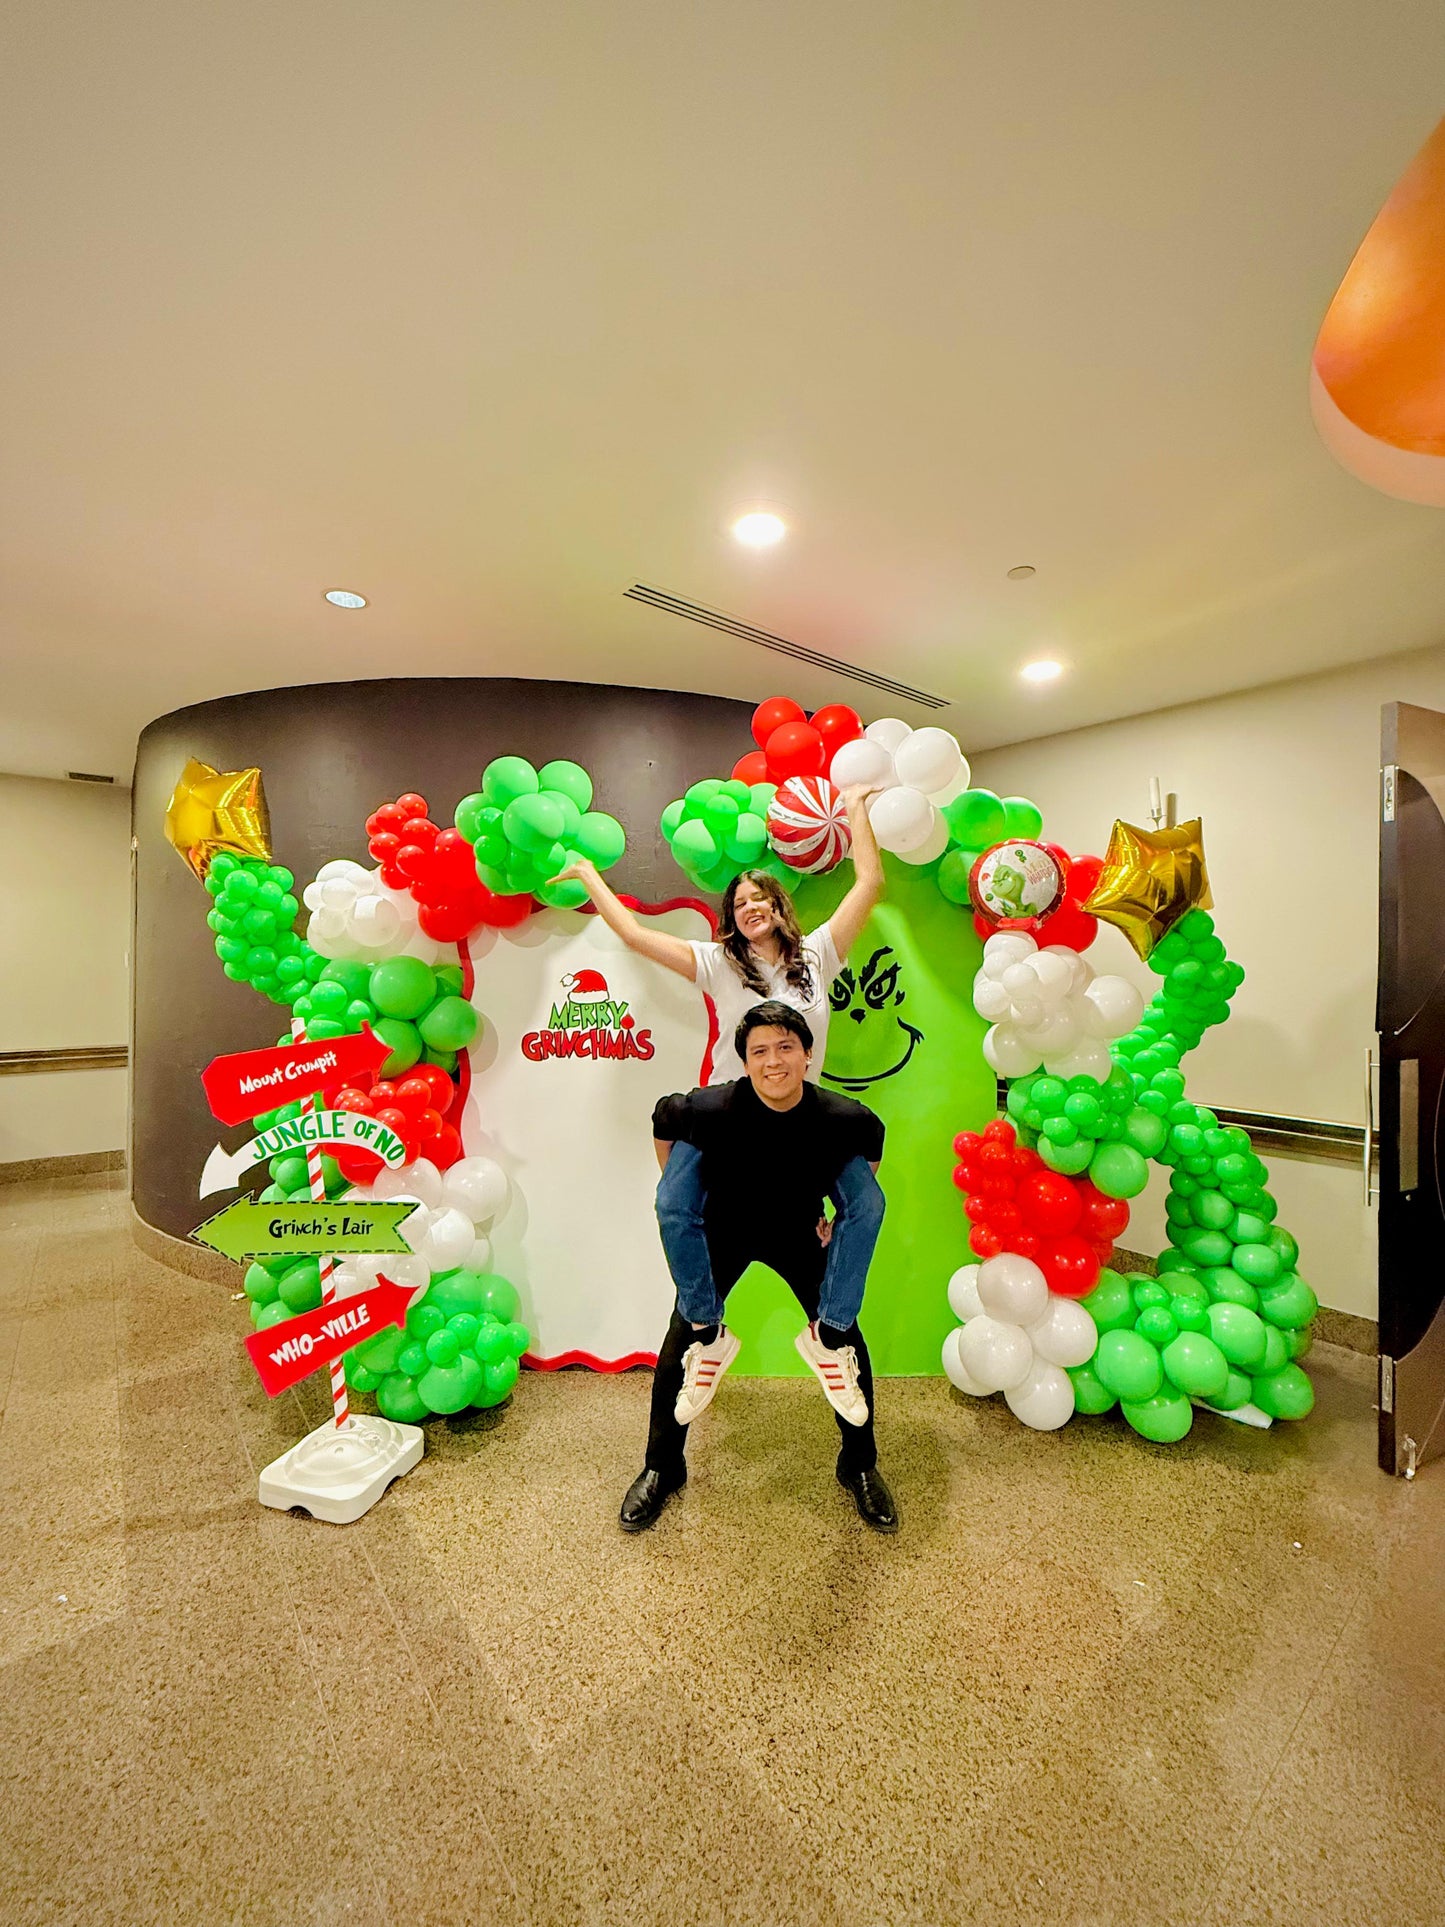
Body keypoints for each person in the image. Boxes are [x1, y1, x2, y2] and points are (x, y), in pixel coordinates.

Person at [553, 782, 884, 1385]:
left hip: (803, 1118)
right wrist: (587, 875)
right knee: (672, 1204)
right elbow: (632, 935)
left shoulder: (819, 954)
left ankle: (831, 1334)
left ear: (781, 906)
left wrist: (857, 809)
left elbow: (869, 885)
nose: (749, 907)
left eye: (760, 898)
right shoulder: (716, 962)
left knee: (867, 1202)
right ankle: (708, 1331)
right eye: (738, 903)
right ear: (730, 920)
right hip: (726, 1119)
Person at [619, 1001, 898, 1534]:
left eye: (786, 1047)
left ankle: (858, 1466)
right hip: (726, 1227)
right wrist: (689, 1205)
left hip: (797, 1230)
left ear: (808, 1054)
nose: (774, 1061)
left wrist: (837, 1220)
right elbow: (663, 1120)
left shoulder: (841, 1117)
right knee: (684, 1339)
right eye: (760, 1051)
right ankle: (663, 1466)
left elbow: (871, 1151)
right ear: (745, 1062)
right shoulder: (711, 1109)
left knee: (843, 1343)